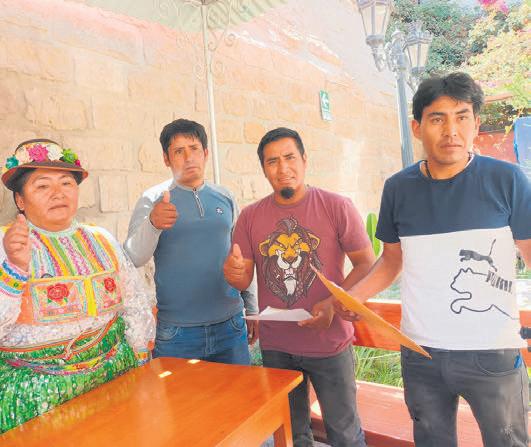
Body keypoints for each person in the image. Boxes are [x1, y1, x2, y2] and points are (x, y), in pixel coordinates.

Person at [336, 72, 531, 446]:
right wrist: (355, 296)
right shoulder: (398, 188)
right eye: (437, 118)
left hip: (492, 351)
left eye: (462, 117)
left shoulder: (507, 180)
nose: (451, 131)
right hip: (420, 352)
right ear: (417, 127)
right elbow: (391, 261)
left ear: (476, 123)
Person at [224, 127, 375, 447]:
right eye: (272, 162)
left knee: (345, 434)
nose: (283, 168)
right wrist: (232, 272)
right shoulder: (250, 217)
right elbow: (242, 279)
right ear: (264, 169)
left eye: (290, 157)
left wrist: (332, 304)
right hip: (277, 347)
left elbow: (367, 264)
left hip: (330, 343)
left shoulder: (336, 206)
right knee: (291, 435)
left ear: (305, 160)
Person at [0, 139, 155, 433]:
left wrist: (139, 356)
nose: (57, 193)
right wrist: (15, 269)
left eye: (66, 183)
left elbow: (134, 302)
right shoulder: (4, 244)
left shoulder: (101, 239)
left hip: (114, 376)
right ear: (20, 199)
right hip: (39, 396)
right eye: (42, 186)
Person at [124, 119, 257, 365]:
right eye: (178, 151)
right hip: (177, 333)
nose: (188, 158)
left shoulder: (225, 197)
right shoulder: (152, 199)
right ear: (166, 159)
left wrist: (252, 308)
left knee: (238, 391)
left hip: (230, 326)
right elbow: (133, 257)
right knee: (179, 393)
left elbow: (241, 254)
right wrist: (153, 223)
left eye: (194, 148)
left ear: (205, 153)